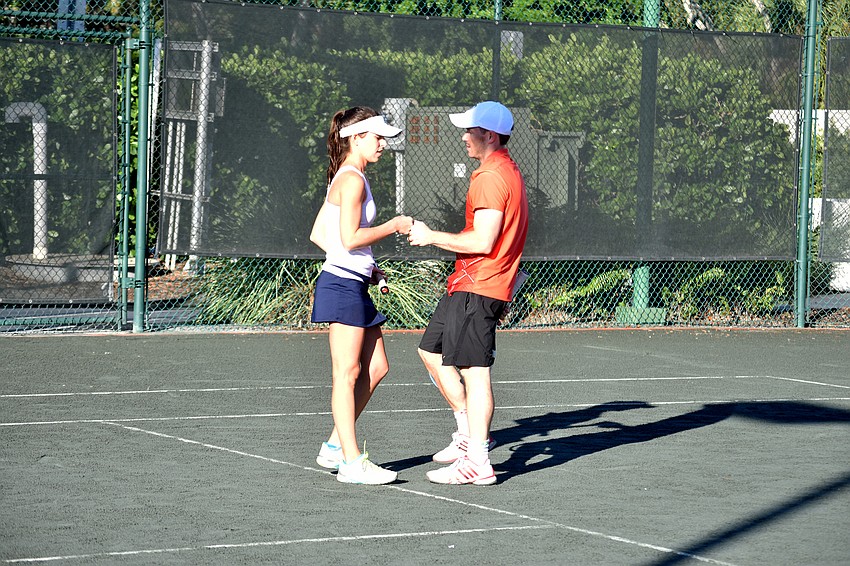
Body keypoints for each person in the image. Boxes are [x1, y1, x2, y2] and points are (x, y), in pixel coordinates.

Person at [408, 101, 529, 485]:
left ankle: (478, 459)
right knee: (430, 351)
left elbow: (484, 238)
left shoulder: (492, 177)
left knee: (476, 375)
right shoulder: (499, 171)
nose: (463, 137)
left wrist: (429, 237)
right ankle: (467, 435)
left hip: (480, 285)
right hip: (469, 283)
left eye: (469, 130)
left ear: (489, 136)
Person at [310, 106, 413, 485]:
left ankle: (335, 447)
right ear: (356, 138)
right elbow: (350, 237)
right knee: (347, 373)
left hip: (351, 281)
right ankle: (351, 463)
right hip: (340, 286)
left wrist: (368, 268)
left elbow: (321, 235)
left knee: (376, 367)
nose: (383, 143)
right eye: (377, 137)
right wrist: (394, 225)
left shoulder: (349, 177)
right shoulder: (351, 179)